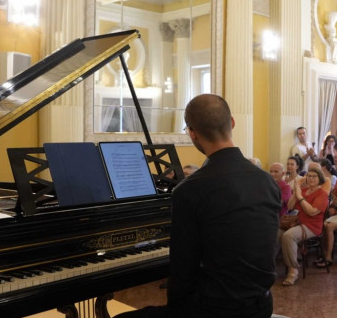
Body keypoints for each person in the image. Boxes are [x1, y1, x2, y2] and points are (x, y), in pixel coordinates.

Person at [117, 95, 280, 318]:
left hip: (214, 311)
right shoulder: (267, 181)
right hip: (262, 305)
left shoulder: (190, 189)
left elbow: (182, 271)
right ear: (232, 122)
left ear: (192, 132)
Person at [278, 167, 328, 286]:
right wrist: (296, 192)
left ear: (319, 179)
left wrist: (300, 196)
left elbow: (311, 212)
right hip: (297, 222)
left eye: (314, 176)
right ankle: (269, 265)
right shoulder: (303, 190)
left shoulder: (322, 194)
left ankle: (293, 270)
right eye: (309, 176)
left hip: (312, 226)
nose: (310, 178)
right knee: (275, 232)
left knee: (288, 236)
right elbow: (290, 206)